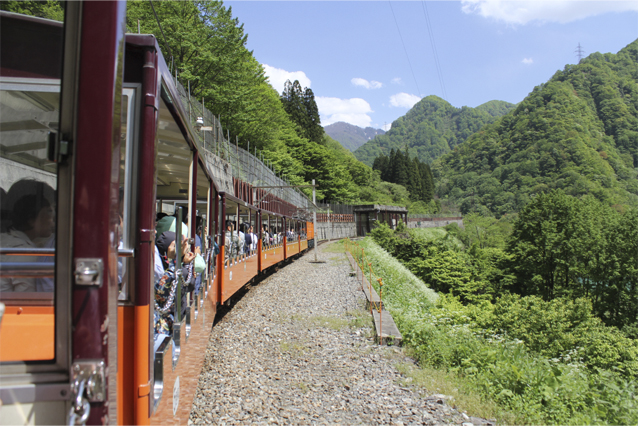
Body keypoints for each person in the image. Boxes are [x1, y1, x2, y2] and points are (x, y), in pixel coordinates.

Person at [0, 193, 55, 292]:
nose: (52, 221)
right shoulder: (26, 254)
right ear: (31, 220)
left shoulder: (5, 239)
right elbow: (27, 300)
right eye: (48, 214)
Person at [154, 231, 195, 336]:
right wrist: (177, 262)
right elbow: (161, 292)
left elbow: (189, 285)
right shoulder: (159, 269)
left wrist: (184, 264)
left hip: (173, 317)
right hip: (162, 325)